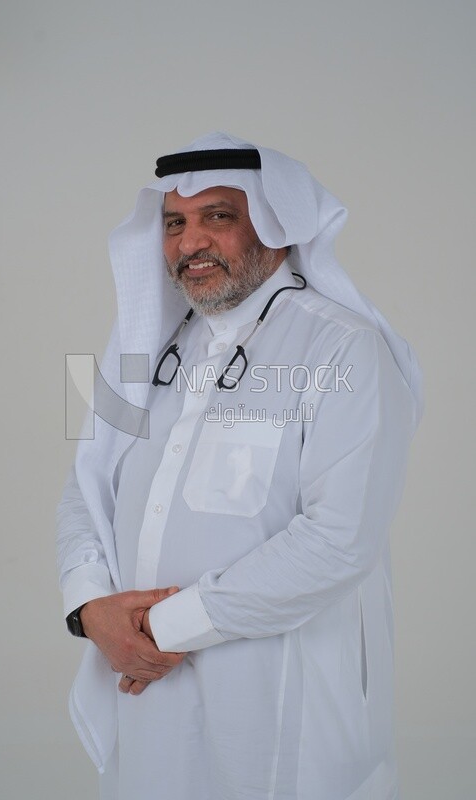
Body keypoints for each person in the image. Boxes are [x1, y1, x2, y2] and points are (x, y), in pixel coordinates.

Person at [57, 132, 422, 800]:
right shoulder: (137, 352)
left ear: (276, 223)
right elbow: (84, 489)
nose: (188, 242)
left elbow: (338, 540)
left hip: (277, 695)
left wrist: (154, 630)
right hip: (140, 682)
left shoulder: (344, 349)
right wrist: (88, 608)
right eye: (173, 223)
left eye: (217, 217)